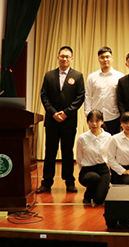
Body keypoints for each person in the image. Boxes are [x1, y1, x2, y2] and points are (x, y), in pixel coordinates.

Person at [38, 46, 85, 194]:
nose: (64, 59)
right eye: (62, 56)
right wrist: (53, 113)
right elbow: (44, 95)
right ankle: (46, 182)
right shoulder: (49, 75)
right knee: (50, 151)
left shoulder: (77, 76)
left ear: (72, 59)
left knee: (67, 152)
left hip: (68, 121)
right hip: (52, 120)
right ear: (58, 57)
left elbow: (80, 97)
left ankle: (69, 182)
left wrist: (66, 113)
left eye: (67, 56)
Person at [76, 109, 112, 206]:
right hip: (88, 170)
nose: (94, 124)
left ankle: (101, 190)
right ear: (87, 122)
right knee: (93, 177)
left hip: (103, 169)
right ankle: (88, 195)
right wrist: (82, 169)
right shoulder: (82, 138)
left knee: (99, 200)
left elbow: (111, 155)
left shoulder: (108, 137)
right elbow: (79, 157)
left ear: (102, 121)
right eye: (91, 121)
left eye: (97, 121)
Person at [85, 46, 124, 135]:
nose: (105, 59)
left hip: (114, 117)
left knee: (113, 142)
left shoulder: (119, 76)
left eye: (107, 57)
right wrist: (88, 115)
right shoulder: (92, 77)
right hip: (96, 119)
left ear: (112, 58)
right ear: (98, 59)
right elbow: (87, 96)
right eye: (102, 57)